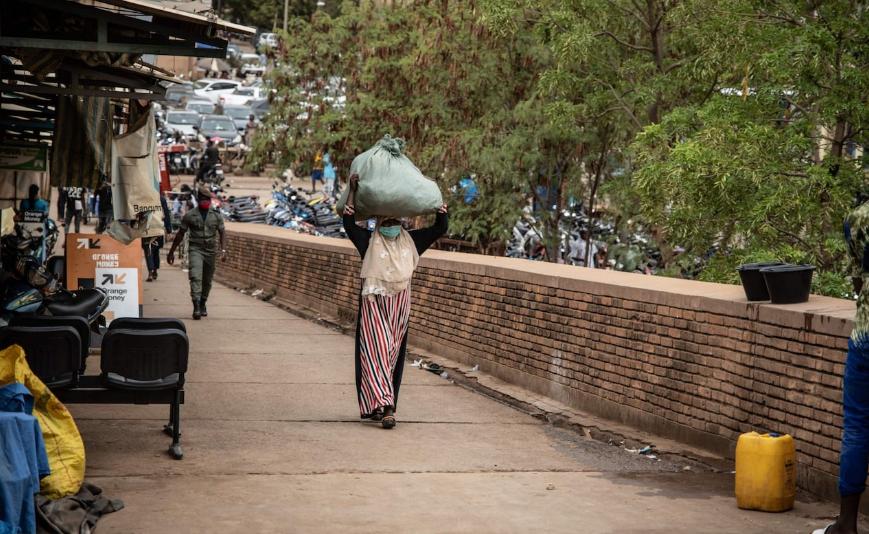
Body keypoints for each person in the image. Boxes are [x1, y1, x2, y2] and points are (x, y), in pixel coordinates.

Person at [342, 173, 448, 429]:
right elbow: (348, 222)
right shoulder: (368, 241)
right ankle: (387, 407)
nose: (390, 225)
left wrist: (441, 209)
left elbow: (439, 229)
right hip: (374, 305)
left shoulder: (411, 242)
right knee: (376, 351)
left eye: (394, 220)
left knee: (390, 354)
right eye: (385, 220)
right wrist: (353, 190)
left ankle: (383, 403)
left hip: (399, 308)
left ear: (402, 223)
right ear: (378, 222)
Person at [815, 187, 869, 534]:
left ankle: (846, 523)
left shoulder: (858, 217)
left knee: (857, 427)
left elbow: (856, 276)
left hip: (866, 335)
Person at [167, 186, 226, 320]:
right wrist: (171, 252)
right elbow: (180, 234)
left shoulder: (216, 215)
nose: (206, 201)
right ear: (199, 199)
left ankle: (203, 303)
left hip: (211, 251)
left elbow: (222, 232)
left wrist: (223, 250)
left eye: (208, 199)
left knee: (207, 280)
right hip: (196, 249)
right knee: (195, 277)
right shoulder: (190, 215)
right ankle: (196, 307)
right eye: (203, 199)